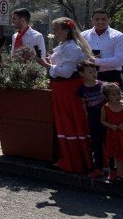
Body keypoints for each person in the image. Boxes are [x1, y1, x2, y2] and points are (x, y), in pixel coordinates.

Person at [36, 17, 94, 174]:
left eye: (57, 30)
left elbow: (66, 73)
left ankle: (74, 161)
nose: (54, 33)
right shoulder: (65, 46)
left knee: (70, 122)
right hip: (62, 89)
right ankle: (70, 159)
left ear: (67, 31)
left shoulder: (71, 48)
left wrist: (46, 64)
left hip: (68, 89)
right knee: (66, 122)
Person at [77, 61, 106, 178]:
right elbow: (83, 105)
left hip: (106, 119)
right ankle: (98, 168)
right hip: (93, 120)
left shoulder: (102, 85)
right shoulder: (81, 89)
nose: (93, 73)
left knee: (109, 142)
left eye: (94, 71)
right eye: (90, 72)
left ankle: (115, 169)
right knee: (96, 144)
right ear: (81, 74)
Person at [81, 8, 123, 86]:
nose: (100, 21)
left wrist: (95, 61)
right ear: (92, 20)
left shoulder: (118, 36)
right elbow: (79, 55)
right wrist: (87, 60)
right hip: (88, 76)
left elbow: (120, 60)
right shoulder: (83, 35)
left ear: (109, 20)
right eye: (97, 19)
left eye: (103, 19)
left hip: (111, 76)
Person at [100, 82, 123, 182]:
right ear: (107, 96)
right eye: (113, 94)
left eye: (118, 93)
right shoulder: (105, 108)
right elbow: (102, 120)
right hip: (114, 135)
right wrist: (110, 125)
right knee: (118, 156)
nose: (117, 96)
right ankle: (120, 175)